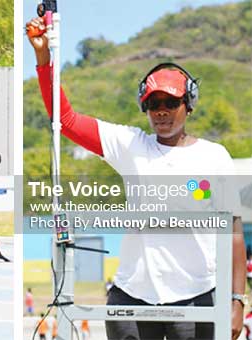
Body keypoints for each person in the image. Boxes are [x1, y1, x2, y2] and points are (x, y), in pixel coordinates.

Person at [27, 17, 245, 340]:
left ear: (189, 105)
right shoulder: (131, 145)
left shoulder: (216, 157)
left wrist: (237, 301)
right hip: (131, 297)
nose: (161, 111)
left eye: (171, 102)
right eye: (153, 104)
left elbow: (234, 234)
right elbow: (67, 120)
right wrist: (43, 58)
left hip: (197, 295)